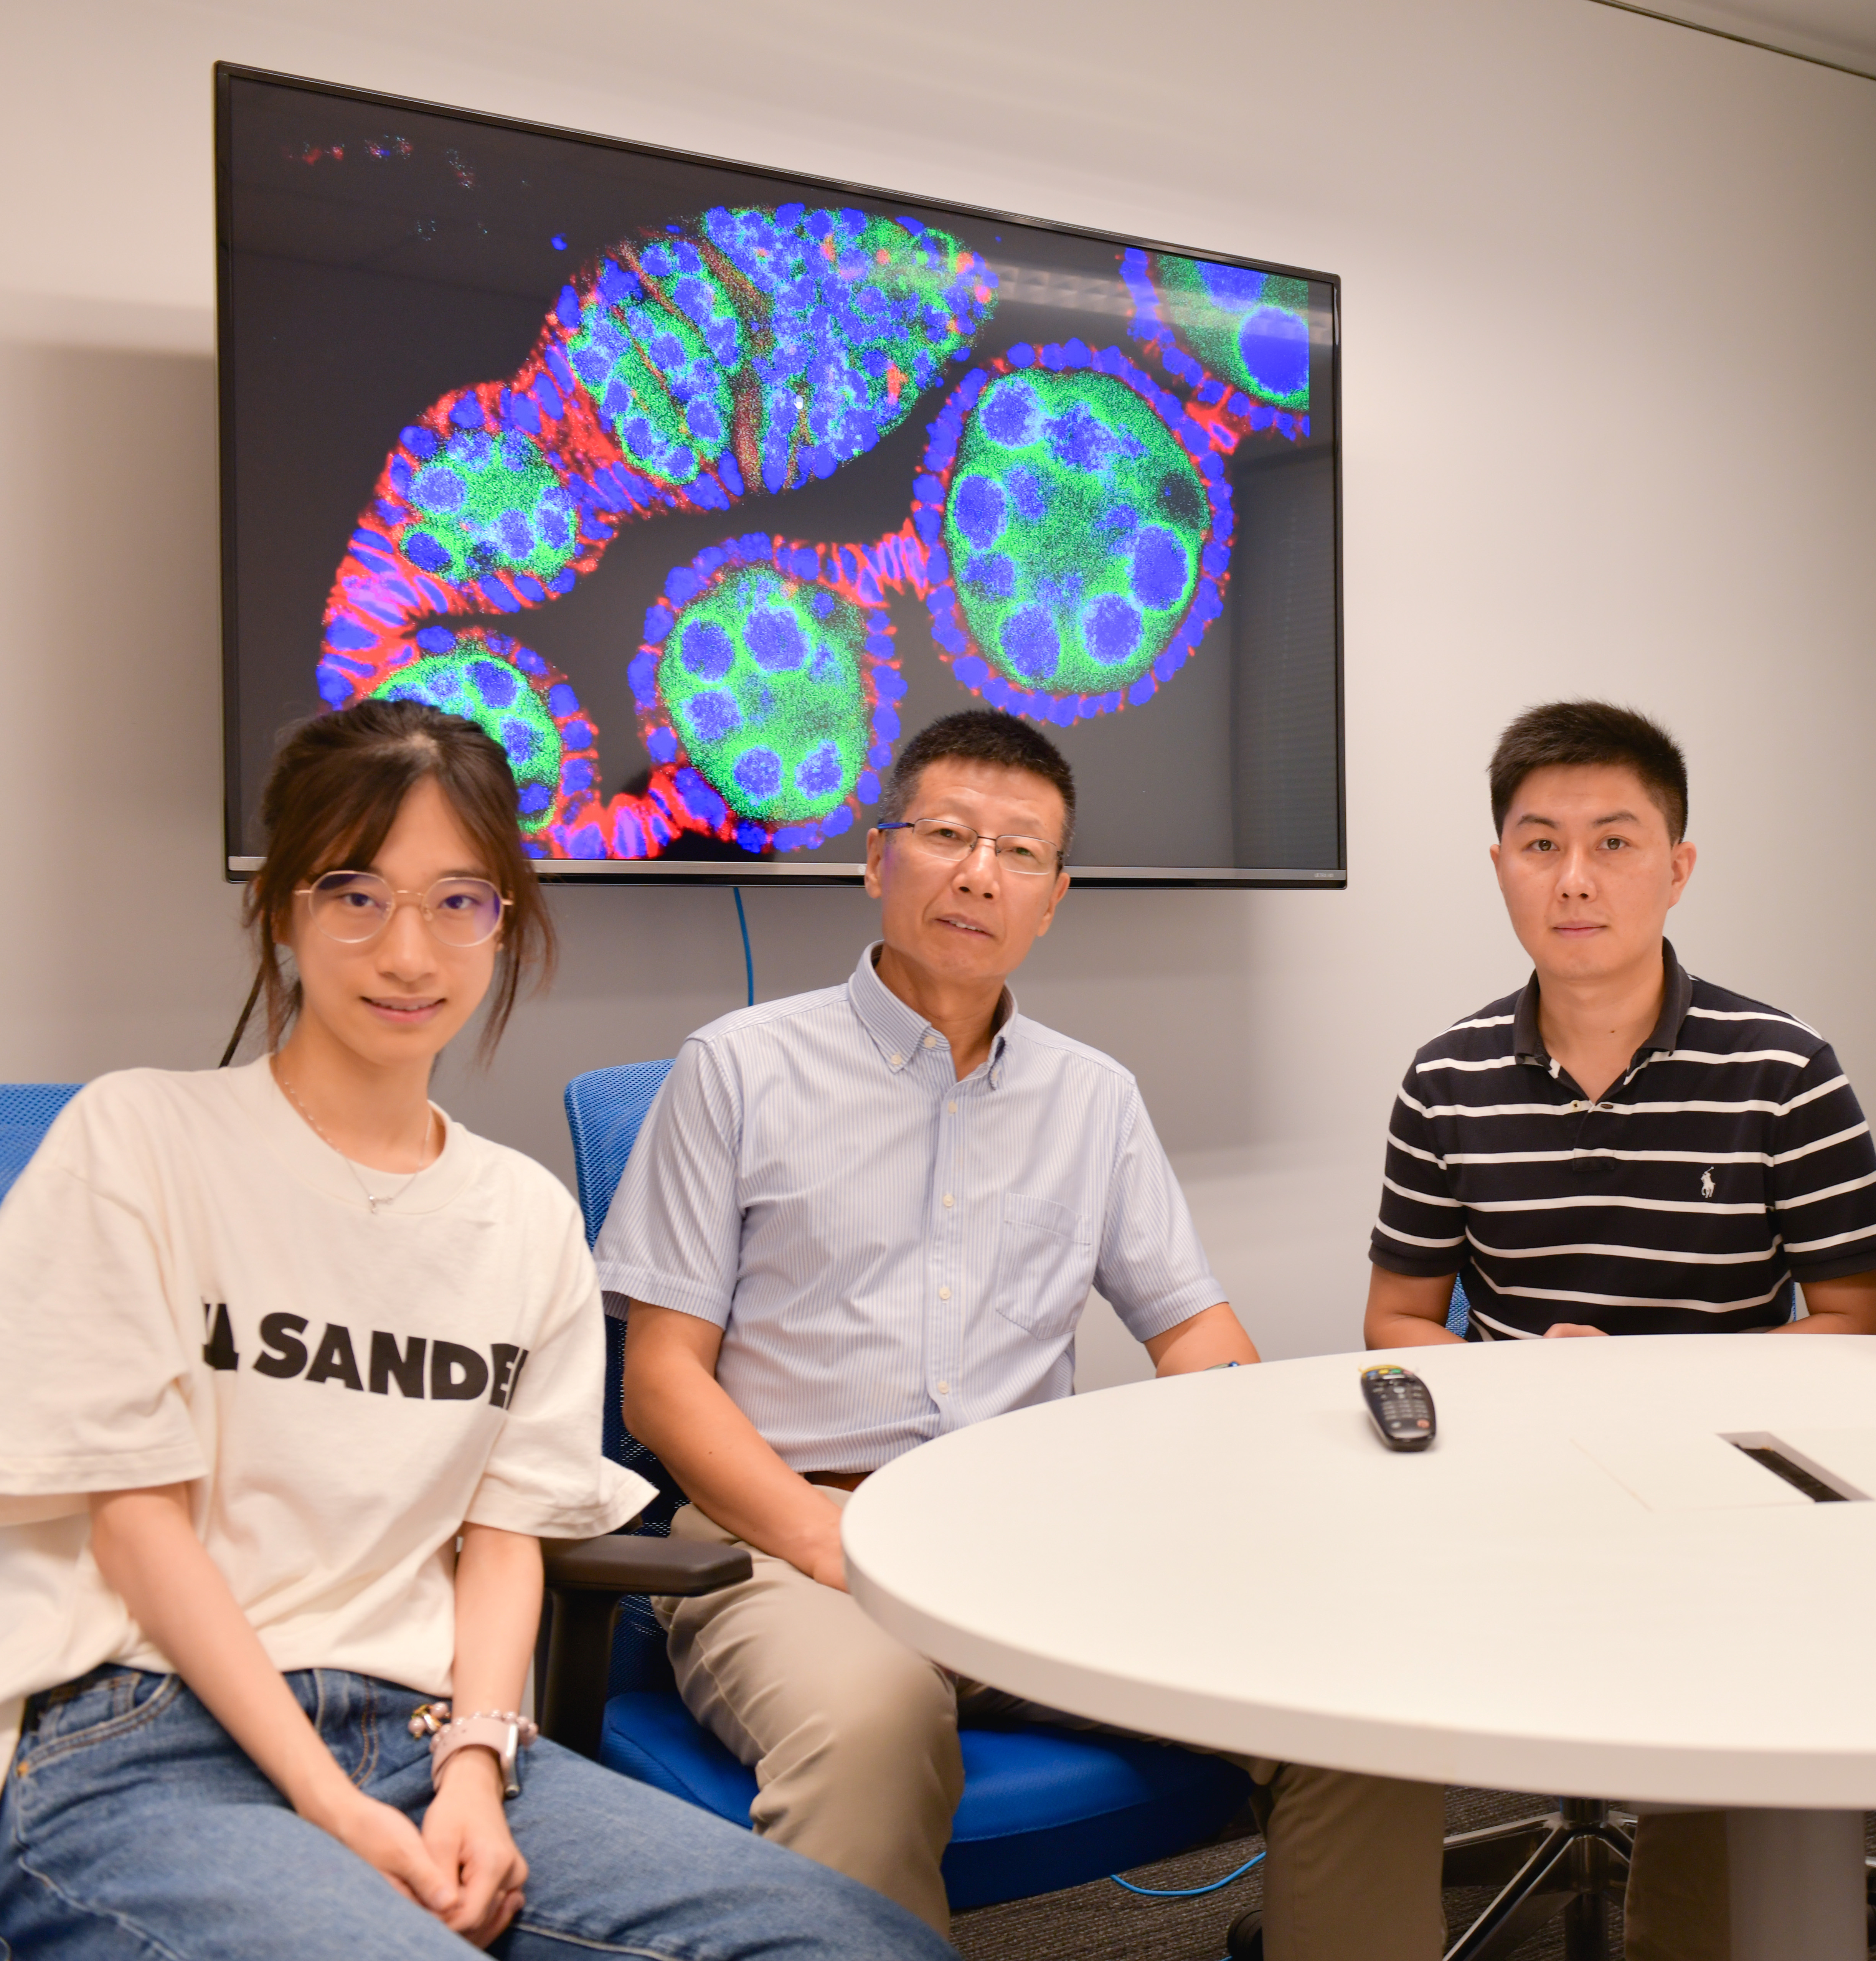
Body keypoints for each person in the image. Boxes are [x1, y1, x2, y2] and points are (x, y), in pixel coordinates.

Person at [0, 700, 943, 1961]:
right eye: (355, 895)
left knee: (863, 1945)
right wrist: (331, 1808)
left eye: (457, 901)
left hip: (423, 1734)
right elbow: (138, 1524)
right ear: (282, 909)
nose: (408, 952)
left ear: (504, 921)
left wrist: (477, 1765)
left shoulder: (524, 1216)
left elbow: (504, 1537)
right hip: (145, 1739)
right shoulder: (141, 1137)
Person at [600, 709, 1448, 1956]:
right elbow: (664, 1383)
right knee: (873, 1729)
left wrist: (1262, 1485)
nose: (980, 874)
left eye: (1020, 853)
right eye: (947, 835)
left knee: (1354, 1699)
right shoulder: (736, 1069)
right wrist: (831, 1541)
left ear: (1053, 899)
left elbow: (1193, 1332)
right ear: (877, 858)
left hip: (1032, 1539)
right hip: (788, 1532)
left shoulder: (1092, 1097)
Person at [1361, 699, 1876, 1961]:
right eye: (1540, 845)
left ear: (1679, 866)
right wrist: (1525, 1392)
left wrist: (1651, 1387)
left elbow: (1863, 1323)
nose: (1575, 879)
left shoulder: (1785, 1069)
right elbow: (1396, 1321)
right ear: (1501, 865)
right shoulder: (1444, 1080)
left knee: (1728, 1661)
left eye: (1614, 842)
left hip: (1728, 1483)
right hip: (1509, 1478)